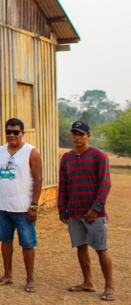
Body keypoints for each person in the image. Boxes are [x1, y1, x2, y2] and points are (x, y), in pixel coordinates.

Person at [0, 118, 43, 292]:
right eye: (8, 132)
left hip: (23, 208)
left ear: (22, 133)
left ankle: (30, 279)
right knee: (5, 241)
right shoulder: (0, 151)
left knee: (27, 243)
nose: (12, 135)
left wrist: (34, 206)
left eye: (16, 132)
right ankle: (7, 274)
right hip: (3, 206)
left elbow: (38, 180)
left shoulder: (31, 152)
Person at [59, 121, 115, 301]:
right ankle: (88, 282)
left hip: (94, 214)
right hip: (74, 212)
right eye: (74, 134)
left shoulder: (99, 156)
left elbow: (105, 184)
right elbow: (64, 186)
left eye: (81, 134)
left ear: (88, 136)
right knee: (80, 247)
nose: (77, 137)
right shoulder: (66, 158)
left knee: (101, 248)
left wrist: (95, 209)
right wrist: (62, 209)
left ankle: (109, 287)